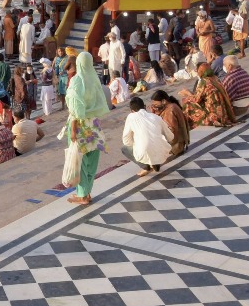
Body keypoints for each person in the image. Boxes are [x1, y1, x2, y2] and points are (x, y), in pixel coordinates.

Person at [65, 52, 111, 205]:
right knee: (91, 161)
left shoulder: (77, 80)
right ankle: (87, 192)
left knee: (80, 162)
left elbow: (75, 109)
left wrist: (72, 130)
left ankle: (82, 195)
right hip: (93, 125)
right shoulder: (93, 78)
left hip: (79, 126)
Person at [121, 97, 175, 177]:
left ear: (132, 111)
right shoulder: (156, 117)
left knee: (124, 148)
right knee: (152, 143)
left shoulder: (131, 117)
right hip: (162, 151)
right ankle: (155, 163)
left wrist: (136, 144)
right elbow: (170, 137)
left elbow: (126, 140)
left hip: (145, 152)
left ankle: (146, 167)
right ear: (145, 106)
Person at [150, 91, 190, 158]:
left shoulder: (170, 111)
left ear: (164, 101)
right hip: (179, 144)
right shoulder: (172, 106)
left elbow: (172, 135)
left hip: (176, 147)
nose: (154, 106)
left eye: (156, 104)